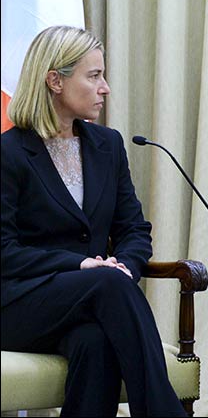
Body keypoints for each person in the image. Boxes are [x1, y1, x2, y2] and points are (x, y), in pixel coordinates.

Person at [1, 26, 186, 417]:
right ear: (54, 80)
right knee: (105, 283)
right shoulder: (9, 153)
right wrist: (81, 265)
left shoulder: (109, 146)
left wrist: (125, 265)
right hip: (19, 303)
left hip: (91, 301)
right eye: (94, 75)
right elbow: (4, 252)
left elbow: (133, 230)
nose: (105, 88)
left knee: (94, 343)